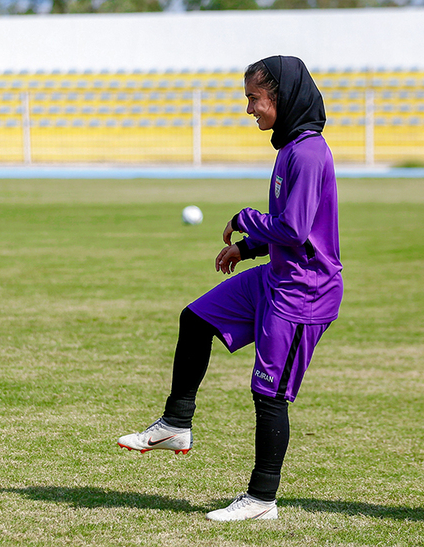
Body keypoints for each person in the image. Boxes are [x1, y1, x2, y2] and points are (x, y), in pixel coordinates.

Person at [117, 55, 343, 522]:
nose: (249, 110)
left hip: (303, 293)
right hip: (276, 277)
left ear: (280, 97)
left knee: (269, 393)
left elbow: (297, 228)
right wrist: (248, 246)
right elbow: (286, 227)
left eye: (254, 99)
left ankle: (261, 500)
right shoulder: (290, 148)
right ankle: (176, 423)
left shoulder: (307, 152)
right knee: (195, 317)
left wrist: (246, 218)